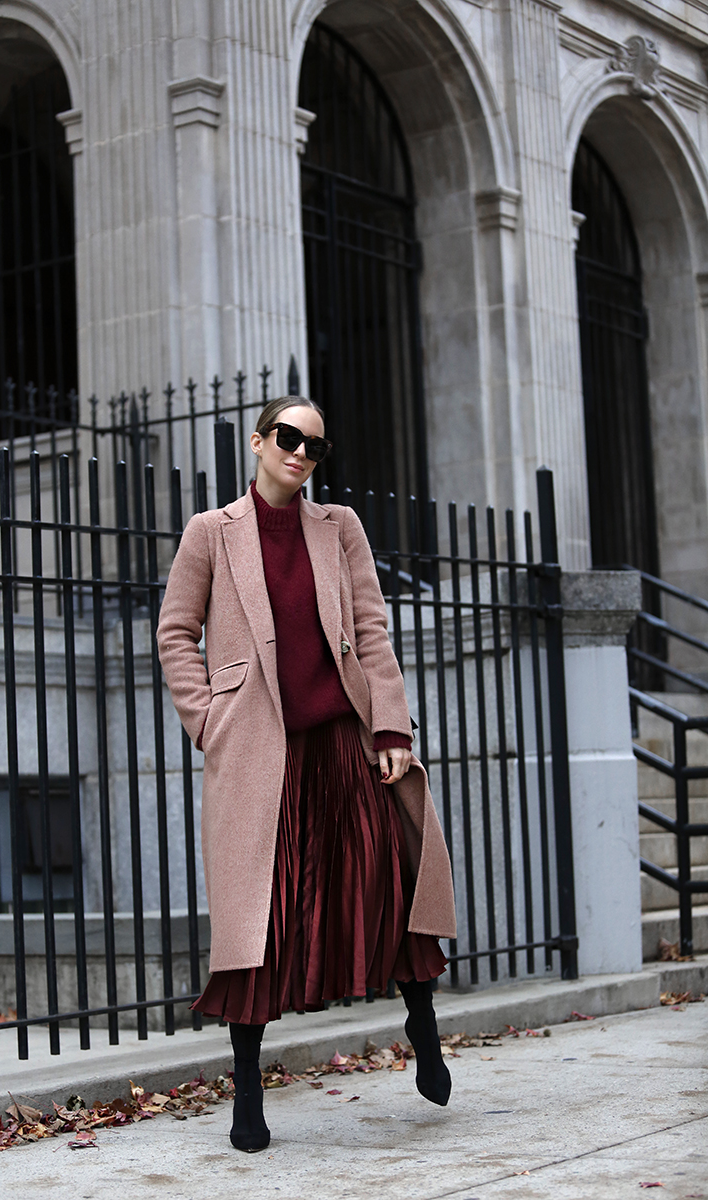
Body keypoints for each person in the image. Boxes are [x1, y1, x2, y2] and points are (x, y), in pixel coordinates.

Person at [157, 396, 456, 1153]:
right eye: (287, 438)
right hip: (261, 751)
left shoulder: (339, 528)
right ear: (258, 442)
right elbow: (174, 632)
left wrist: (391, 725)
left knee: (387, 882)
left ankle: (421, 1019)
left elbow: (371, 628)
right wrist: (209, 721)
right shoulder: (210, 533)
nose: (299, 453)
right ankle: (248, 1091)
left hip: (342, 741)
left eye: (313, 447)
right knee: (260, 922)